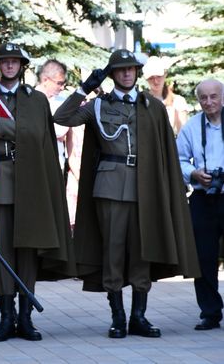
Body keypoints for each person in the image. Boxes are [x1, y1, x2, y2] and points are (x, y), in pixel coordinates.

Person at [54, 49, 200, 339]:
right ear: (111, 74)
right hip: (109, 187)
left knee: (142, 252)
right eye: (119, 69)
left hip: (146, 187)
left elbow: (165, 152)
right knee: (114, 251)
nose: (126, 73)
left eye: (131, 69)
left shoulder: (152, 107)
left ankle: (139, 316)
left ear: (137, 72)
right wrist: (83, 88)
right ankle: (118, 317)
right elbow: (63, 116)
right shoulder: (98, 105)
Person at [0, 42, 76, 342]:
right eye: (4, 61)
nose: (9, 66)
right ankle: (7, 317)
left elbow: (36, 135)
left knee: (27, 253)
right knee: (3, 254)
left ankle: (25, 317)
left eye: (15, 61)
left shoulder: (35, 99)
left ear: (23, 66)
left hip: (31, 183)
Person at [176, 78, 224, 331]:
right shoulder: (192, 127)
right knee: (203, 258)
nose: (209, 102)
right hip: (203, 198)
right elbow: (179, 159)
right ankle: (210, 312)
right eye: (203, 97)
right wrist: (195, 173)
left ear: (222, 97)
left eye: (214, 96)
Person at [35, 59, 72, 176]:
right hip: (35, 162)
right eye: (59, 83)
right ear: (45, 80)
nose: (62, 88)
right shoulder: (30, 99)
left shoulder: (62, 101)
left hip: (57, 163)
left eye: (63, 83)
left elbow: (60, 131)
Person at [143, 56, 189, 135]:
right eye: (151, 78)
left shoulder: (178, 101)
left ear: (165, 75)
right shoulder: (142, 101)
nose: (156, 81)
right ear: (146, 79)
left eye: (159, 76)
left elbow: (183, 134)